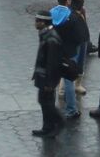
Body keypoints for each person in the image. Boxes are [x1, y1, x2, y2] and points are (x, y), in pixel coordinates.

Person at [51, 0, 84, 119]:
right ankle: (71, 109)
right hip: (69, 52)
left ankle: (52, 109)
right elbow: (79, 37)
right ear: (68, 1)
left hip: (55, 51)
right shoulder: (72, 15)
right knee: (69, 81)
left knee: (53, 81)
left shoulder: (51, 13)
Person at [32, 10, 63, 138]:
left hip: (47, 78)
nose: (35, 23)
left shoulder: (51, 39)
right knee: (44, 101)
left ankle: (58, 122)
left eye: (37, 21)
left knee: (47, 102)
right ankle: (47, 127)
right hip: (43, 76)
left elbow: (52, 64)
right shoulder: (45, 34)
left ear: (43, 22)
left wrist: (50, 82)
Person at [66, 0, 90, 95]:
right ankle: (65, 88)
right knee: (71, 63)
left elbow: (85, 23)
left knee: (81, 63)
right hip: (73, 41)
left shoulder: (82, 8)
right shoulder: (69, 10)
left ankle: (78, 85)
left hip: (83, 40)